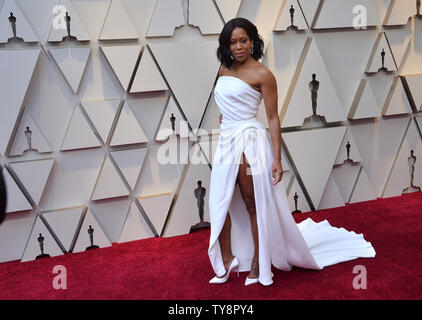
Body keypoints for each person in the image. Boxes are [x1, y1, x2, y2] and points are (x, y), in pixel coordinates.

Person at [208, 17, 376, 286]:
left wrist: (276, 159)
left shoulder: (263, 74)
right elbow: (227, 100)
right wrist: (225, 115)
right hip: (227, 139)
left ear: (253, 42)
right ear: (226, 46)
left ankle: (257, 262)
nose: (238, 47)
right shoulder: (224, 69)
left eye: (243, 40)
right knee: (221, 201)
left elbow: (273, 118)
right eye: (232, 42)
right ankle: (226, 259)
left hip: (250, 142)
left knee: (252, 202)